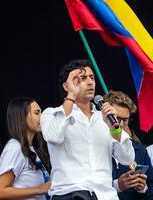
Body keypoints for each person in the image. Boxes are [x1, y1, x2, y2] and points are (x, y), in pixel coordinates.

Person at [40, 59, 135, 200]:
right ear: (66, 86)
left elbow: (127, 159)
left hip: (106, 195)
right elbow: (54, 136)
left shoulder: (104, 118)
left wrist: (114, 129)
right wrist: (71, 96)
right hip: (70, 194)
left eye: (92, 77)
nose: (90, 82)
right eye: (81, 78)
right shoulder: (52, 113)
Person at [104, 90, 153, 200]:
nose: (119, 124)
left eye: (124, 120)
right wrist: (117, 186)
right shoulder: (92, 146)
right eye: (115, 118)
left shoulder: (139, 150)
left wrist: (142, 188)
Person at [0, 97, 51, 200]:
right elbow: (0, 191)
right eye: (36, 113)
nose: (42, 117)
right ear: (22, 117)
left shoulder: (32, 149)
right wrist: (41, 188)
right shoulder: (14, 147)